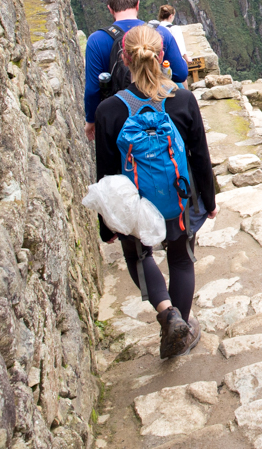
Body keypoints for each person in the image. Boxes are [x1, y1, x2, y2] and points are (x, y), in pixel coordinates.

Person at [93, 24, 216, 358]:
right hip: (179, 198)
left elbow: (106, 174)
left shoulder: (109, 111)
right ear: (163, 56)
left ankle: (167, 314)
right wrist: (209, 199)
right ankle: (183, 328)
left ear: (123, 58)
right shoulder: (182, 99)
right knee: (180, 259)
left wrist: (107, 225)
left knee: (138, 255)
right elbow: (200, 155)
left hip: (135, 205)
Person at [85, 0, 188, 141]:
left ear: (110, 9)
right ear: (138, 5)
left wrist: (91, 121)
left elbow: (93, 90)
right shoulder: (160, 33)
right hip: (163, 111)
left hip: (120, 117)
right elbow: (181, 73)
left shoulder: (96, 41)